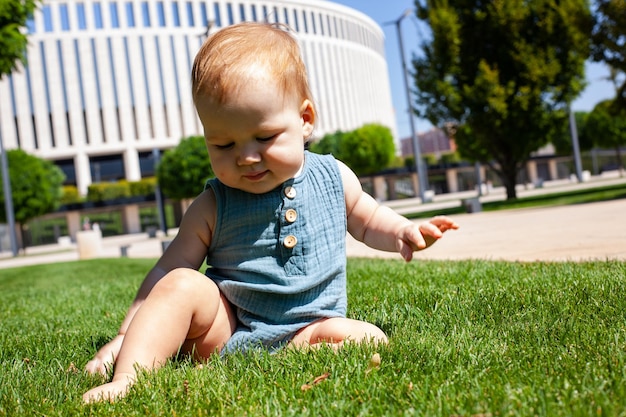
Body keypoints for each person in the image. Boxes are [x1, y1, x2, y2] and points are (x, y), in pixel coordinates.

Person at [82, 22, 458, 403]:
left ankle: (293, 352)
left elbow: (368, 218)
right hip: (225, 331)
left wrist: (402, 232)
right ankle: (128, 376)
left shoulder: (333, 177)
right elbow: (165, 272)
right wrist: (123, 335)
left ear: (304, 120)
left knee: (369, 337)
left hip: (311, 326)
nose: (246, 157)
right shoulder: (213, 204)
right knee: (181, 283)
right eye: (223, 144)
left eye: (264, 137)